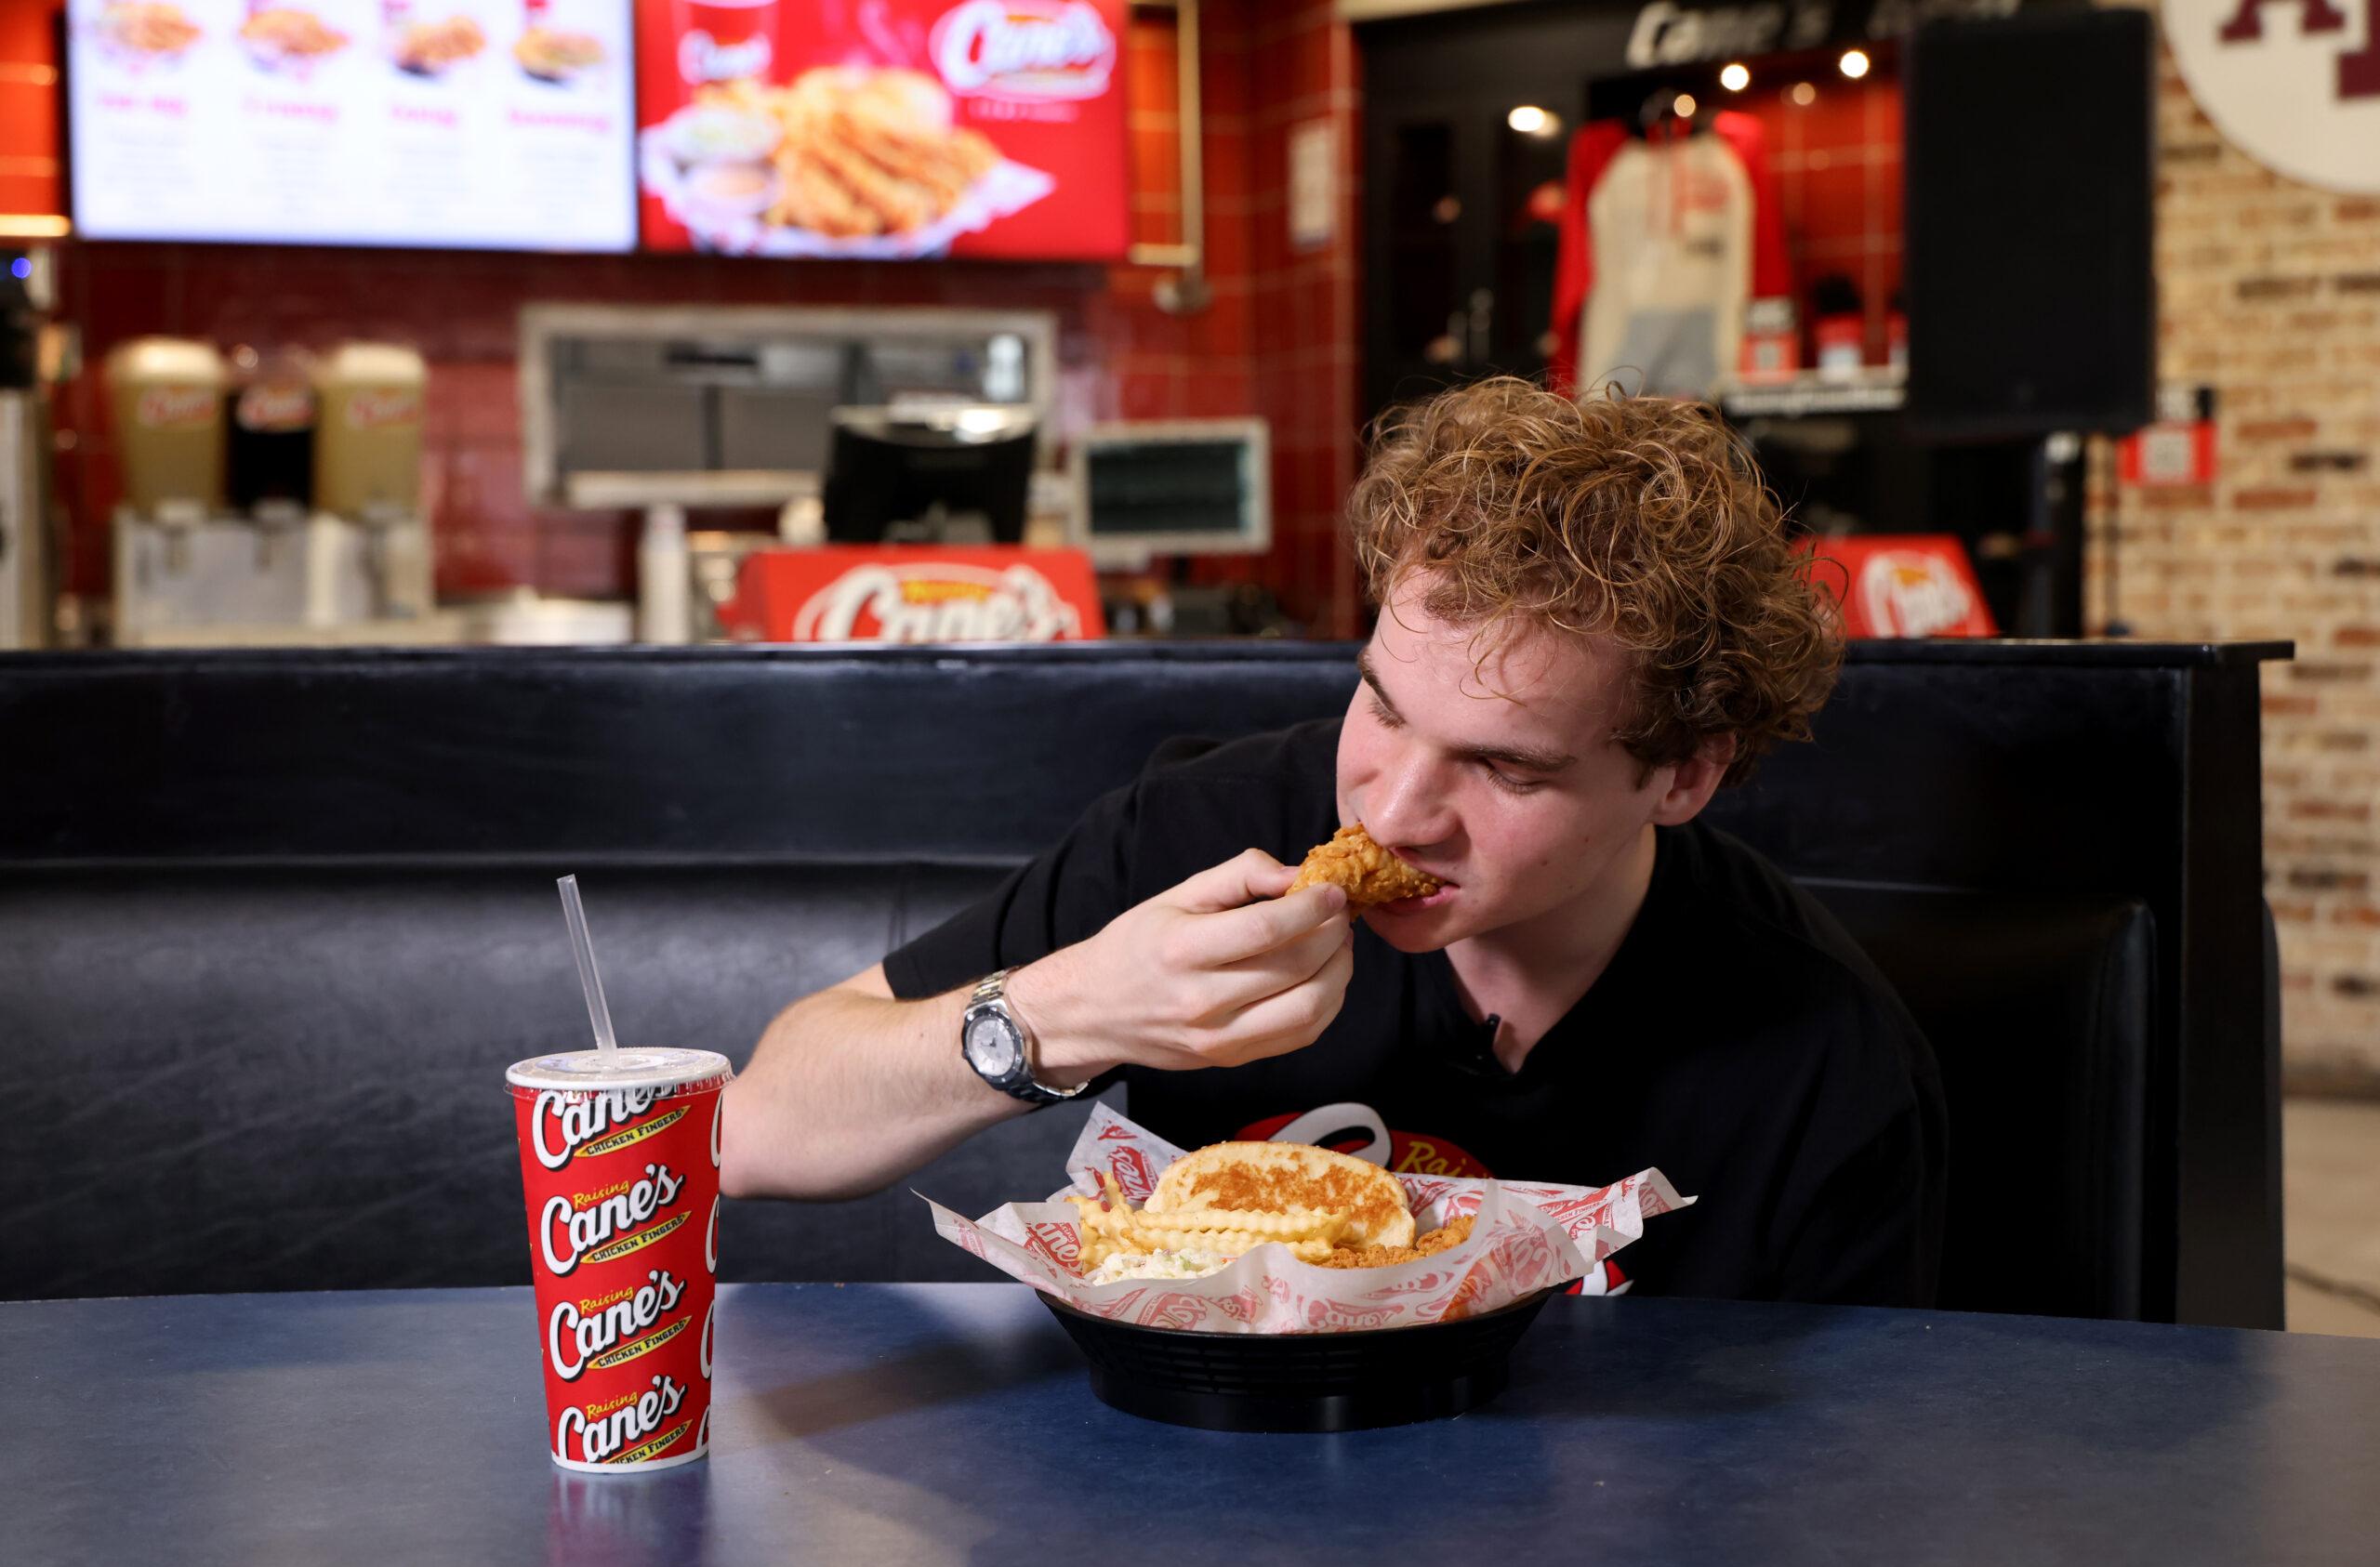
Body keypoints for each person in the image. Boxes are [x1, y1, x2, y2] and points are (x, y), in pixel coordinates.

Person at [721, 376, 1946, 1306]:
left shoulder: (1821, 1060)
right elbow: (759, 1128)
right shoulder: (1211, 831)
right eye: (1385, 706)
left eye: (1506, 765)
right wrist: (1069, 1014)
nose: (1394, 812)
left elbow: (1832, 1492)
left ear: (1683, 775)